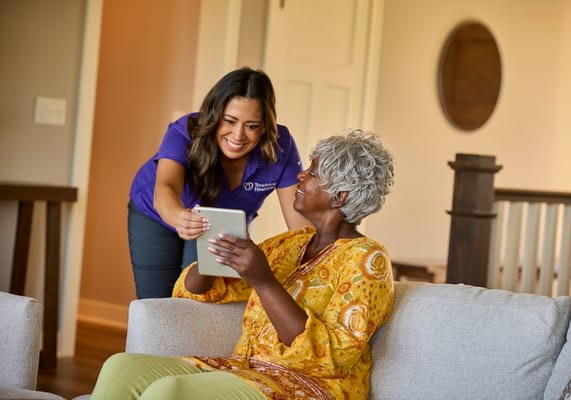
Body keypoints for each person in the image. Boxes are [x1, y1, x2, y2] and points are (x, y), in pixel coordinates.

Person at [92, 130, 396, 400]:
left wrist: (264, 281)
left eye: (313, 174)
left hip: (310, 387)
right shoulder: (289, 244)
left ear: (339, 196)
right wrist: (211, 259)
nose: (300, 176)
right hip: (245, 370)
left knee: (170, 393)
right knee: (120, 367)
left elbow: (331, 357)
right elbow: (199, 291)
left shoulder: (367, 259)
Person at [128, 67, 310, 299]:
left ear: (265, 125)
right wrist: (178, 217)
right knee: (155, 303)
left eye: (252, 126)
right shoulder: (185, 130)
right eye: (230, 121)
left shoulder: (280, 146)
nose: (238, 135)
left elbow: (301, 228)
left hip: (217, 224)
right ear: (215, 115)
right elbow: (166, 187)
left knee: (200, 301)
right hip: (155, 213)